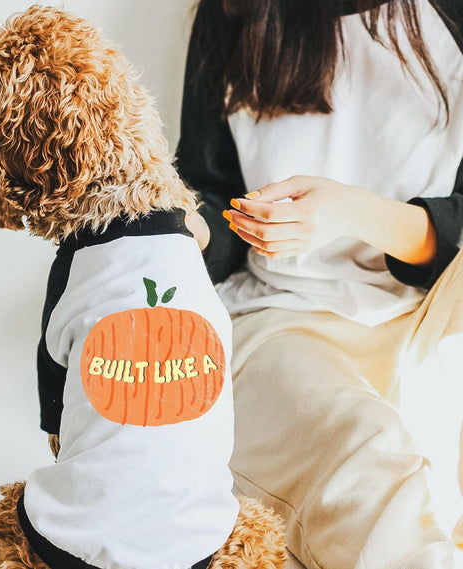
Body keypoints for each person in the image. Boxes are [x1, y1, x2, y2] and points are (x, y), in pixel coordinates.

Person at [176, 0, 463, 567]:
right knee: (365, 455)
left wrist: (352, 213)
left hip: (440, 304)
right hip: (287, 313)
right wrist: (182, 227)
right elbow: (214, 196)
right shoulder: (234, 14)